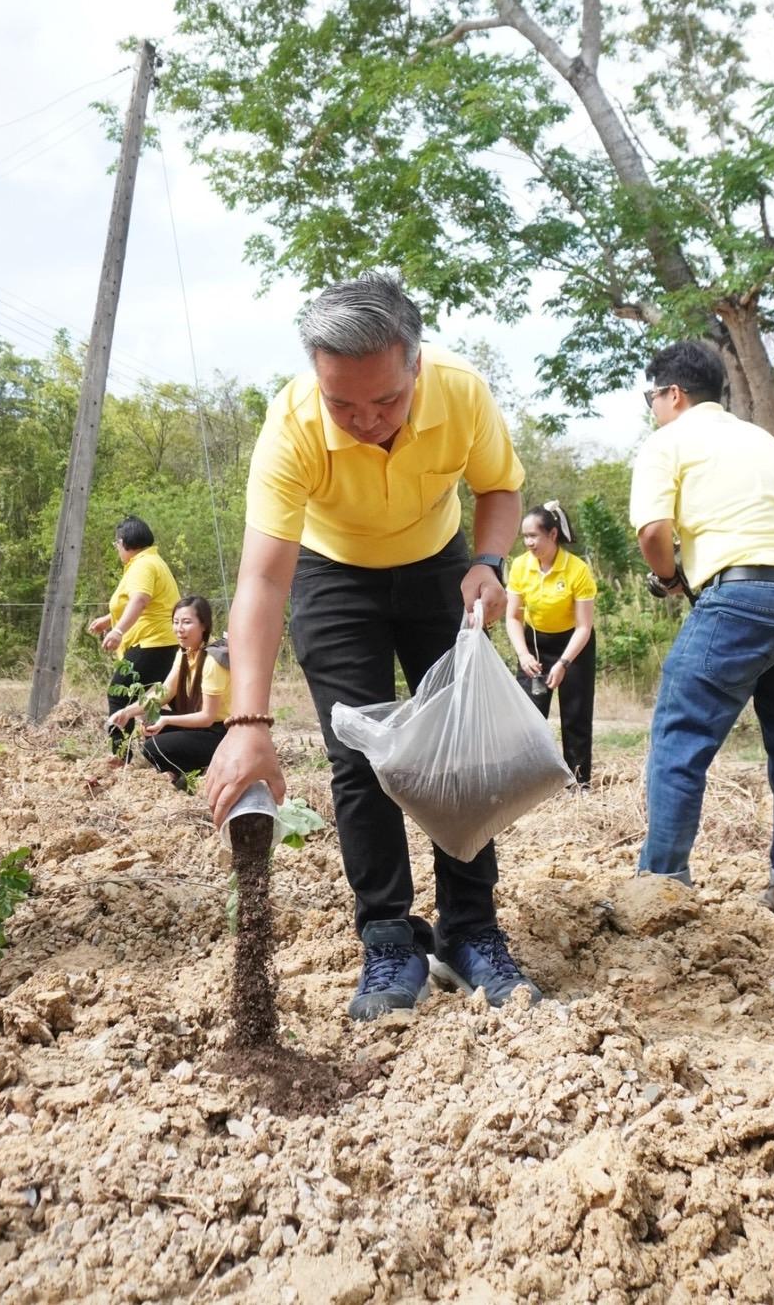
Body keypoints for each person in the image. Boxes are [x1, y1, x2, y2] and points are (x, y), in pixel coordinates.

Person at [205, 269, 540, 1020]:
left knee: (460, 748)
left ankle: (469, 931)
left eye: (386, 400)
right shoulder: (290, 426)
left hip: (439, 565)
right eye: (342, 403)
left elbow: (500, 488)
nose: (365, 419)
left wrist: (488, 563)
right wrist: (247, 725)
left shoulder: (461, 392)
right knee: (358, 755)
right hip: (333, 573)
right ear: (316, 380)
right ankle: (389, 938)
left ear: (416, 365)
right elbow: (261, 582)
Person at [629, 339, 774, 922]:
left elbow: (653, 531)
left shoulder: (667, 441)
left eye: (652, 396)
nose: (651, 407)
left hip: (744, 596)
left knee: (681, 739)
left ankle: (660, 885)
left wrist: (671, 578)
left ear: (673, 393)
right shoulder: (762, 439)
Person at [506, 501, 597, 785]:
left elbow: (584, 626)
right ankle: (531, 782)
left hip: (574, 646)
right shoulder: (520, 566)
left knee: (575, 715)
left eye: (534, 536)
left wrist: (564, 664)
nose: (529, 542)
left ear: (553, 535)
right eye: (525, 537)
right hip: (534, 644)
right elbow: (513, 617)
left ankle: (579, 782)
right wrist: (522, 654)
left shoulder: (577, 570)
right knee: (530, 717)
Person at [111, 595, 230, 786]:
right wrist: (128, 712)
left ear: (204, 625)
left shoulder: (212, 661)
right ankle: (189, 771)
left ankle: (200, 772)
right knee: (151, 720)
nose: (179, 629)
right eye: (175, 622)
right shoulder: (185, 652)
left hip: (221, 735)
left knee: (153, 747)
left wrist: (166, 719)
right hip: (202, 729)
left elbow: (208, 717)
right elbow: (165, 691)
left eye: (187, 622)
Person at [87, 515, 179, 748]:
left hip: (153, 642)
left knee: (119, 695)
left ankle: (120, 755)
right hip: (162, 641)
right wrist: (109, 620)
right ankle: (175, 747)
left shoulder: (143, 565)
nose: (117, 549)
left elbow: (140, 599)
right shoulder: (149, 562)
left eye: (116, 544)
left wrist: (117, 631)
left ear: (124, 542)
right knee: (162, 699)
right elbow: (141, 602)